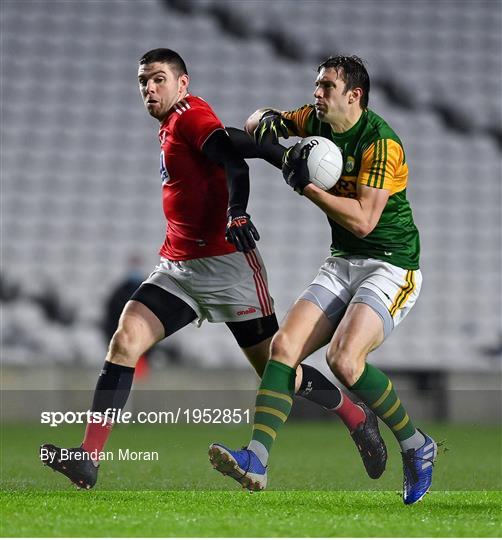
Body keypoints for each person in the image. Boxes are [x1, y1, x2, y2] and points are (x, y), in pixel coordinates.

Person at [40, 49, 386, 490]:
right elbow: (235, 142)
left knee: (278, 372)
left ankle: (357, 418)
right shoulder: (172, 124)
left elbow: (231, 160)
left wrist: (236, 212)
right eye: (144, 80)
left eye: (159, 79)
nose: (150, 88)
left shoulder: (188, 114)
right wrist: (277, 154)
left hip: (229, 268)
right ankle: (88, 458)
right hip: (179, 267)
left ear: (182, 84)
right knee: (125, 340)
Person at [209, 55, 438, 505]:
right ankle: (256, 459)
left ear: (354, 95)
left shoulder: (381, 144)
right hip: (342, 262)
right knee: (283, 348)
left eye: (326, 86)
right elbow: (257, 121)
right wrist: (268, 121)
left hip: (391, 264)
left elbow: (363, 223)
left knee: (345, 361)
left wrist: (308, 186)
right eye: (317, 84)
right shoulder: (317, 118)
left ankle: (416, 444)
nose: (317, 92)